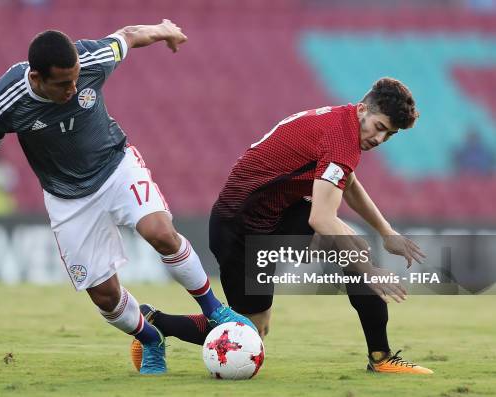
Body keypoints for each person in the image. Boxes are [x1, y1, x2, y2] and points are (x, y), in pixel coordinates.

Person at [0, 21, 255, 375]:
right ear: (37, 77)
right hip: (68, 199)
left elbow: (129, 35)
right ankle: (151, 338)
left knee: (160, 232)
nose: (73, 88)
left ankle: (214, 310)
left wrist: (164, 29)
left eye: (76, 79)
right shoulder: (6, 101)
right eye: (62, 83)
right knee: (104, 297)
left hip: (116, 166)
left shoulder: (91, 59)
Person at [138, 77, 435, 374]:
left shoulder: (343, 124)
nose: (380, 139)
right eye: (380, 128)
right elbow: (320, 218)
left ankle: (380, 357)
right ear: (362, 110)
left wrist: (386, 232)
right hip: (239, 227)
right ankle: (155, 324)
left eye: (390, 135)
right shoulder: (341, 138)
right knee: (250, 333)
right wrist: (370, 271)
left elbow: (349, 184)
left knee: (353, 249)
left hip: (274, 215)